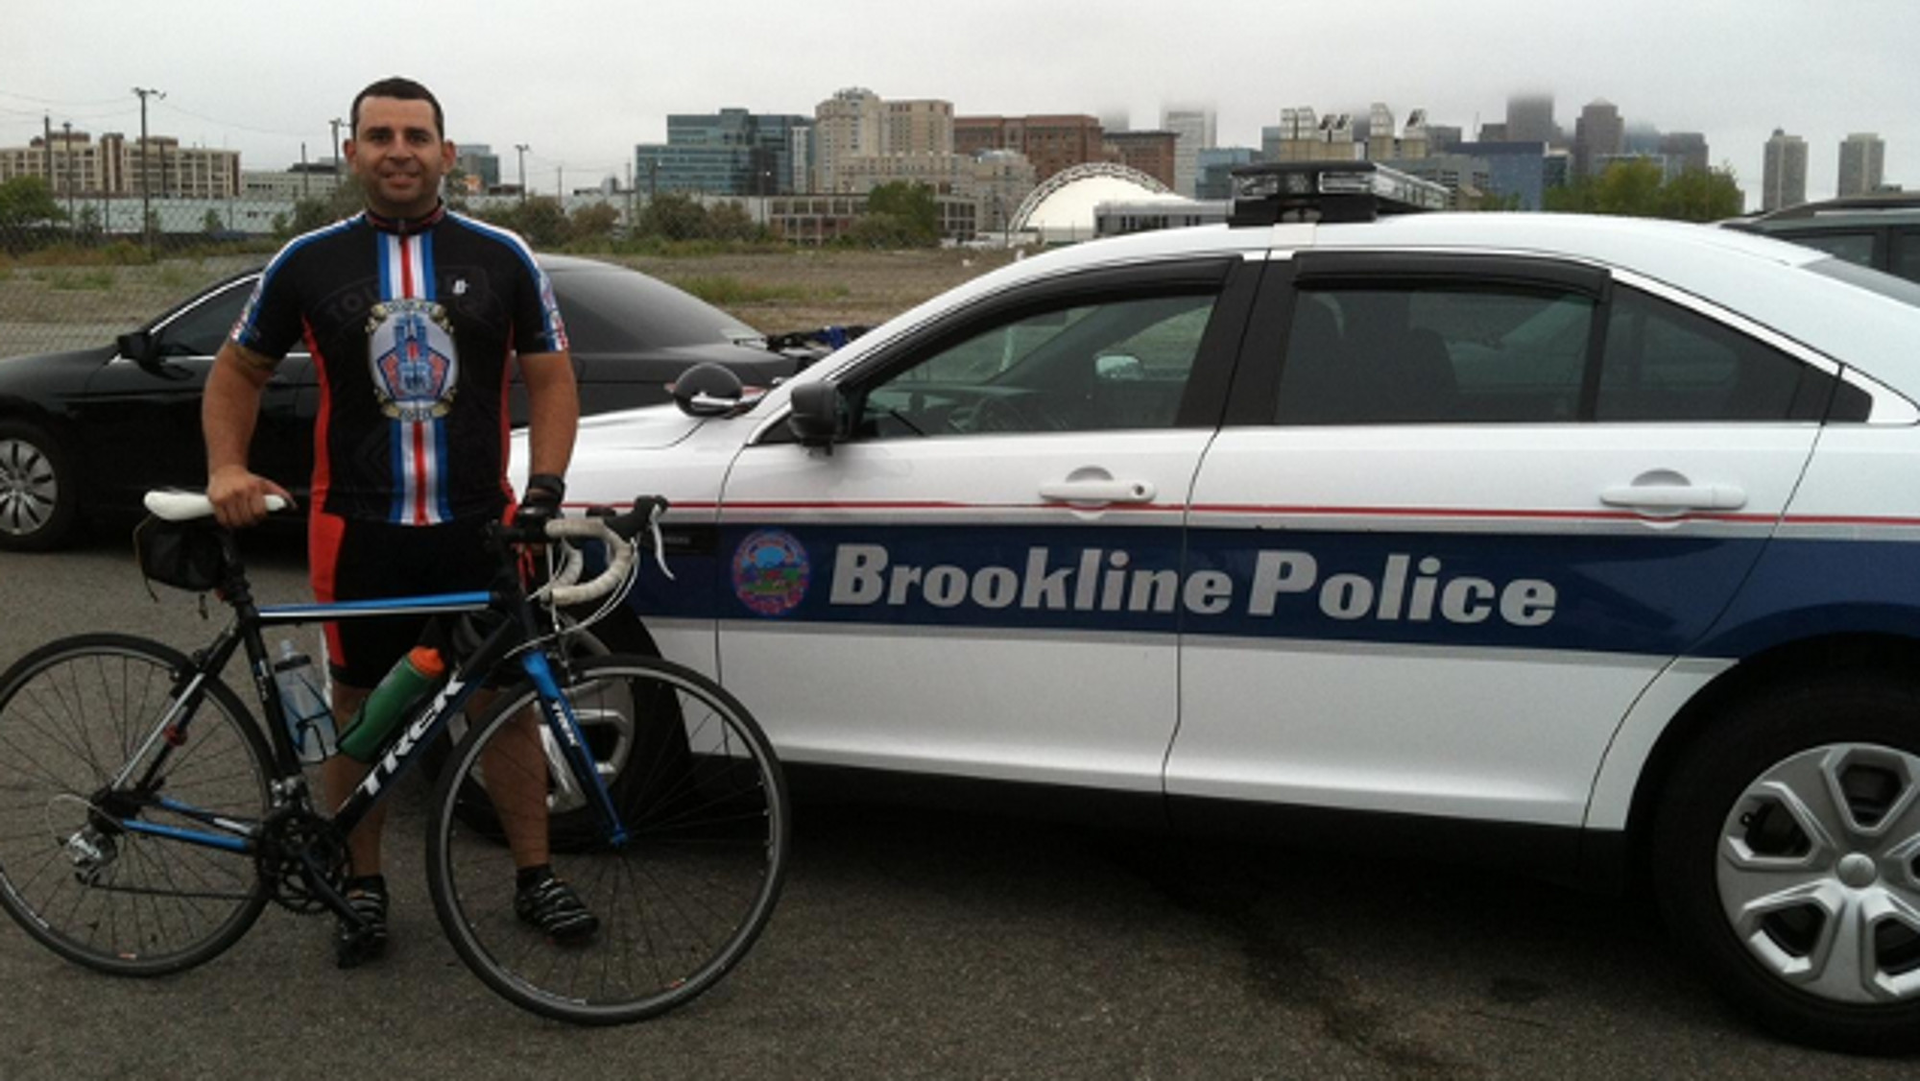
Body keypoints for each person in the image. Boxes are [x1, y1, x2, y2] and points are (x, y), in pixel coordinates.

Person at [203, 76, 594, 966]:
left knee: (504, 702)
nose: (399, 151)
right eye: (379, 135)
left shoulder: (503, 255)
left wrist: (545, 487)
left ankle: (536, 876)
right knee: (361, 711)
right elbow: (236, 371)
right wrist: (226, 464)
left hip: (477, 523)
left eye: (416, 135)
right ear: (353, 153)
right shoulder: (307, 260)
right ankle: (362, 885)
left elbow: (552, 376)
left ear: (447, 153)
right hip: (358, 527)